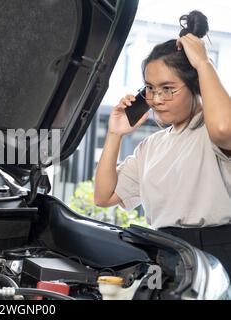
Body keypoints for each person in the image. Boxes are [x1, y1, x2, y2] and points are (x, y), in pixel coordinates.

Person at [94, 10, 231, 274]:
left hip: (219, 254)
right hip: (165, 254)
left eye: (168, 89)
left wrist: (203, 63)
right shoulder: (151, 146)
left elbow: (224, 128)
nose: (157, 99)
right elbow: (103, 196)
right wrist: (114, 134)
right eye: (150, 88)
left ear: (195, 86)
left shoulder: (211, 131)